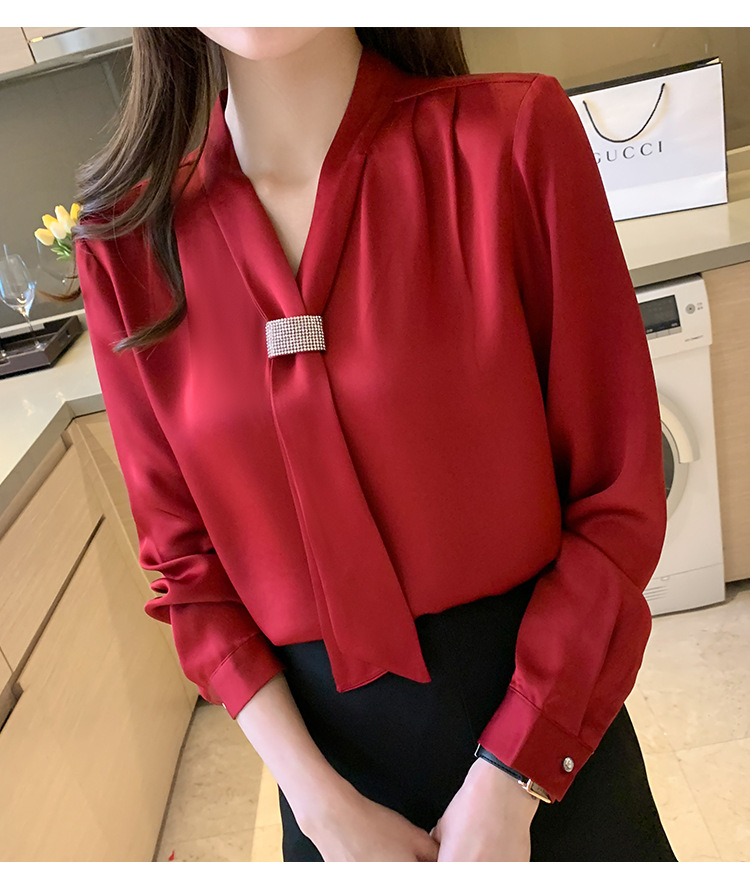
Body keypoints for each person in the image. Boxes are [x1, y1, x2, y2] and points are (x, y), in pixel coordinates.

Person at [70, 27, 677, 862]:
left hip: (551, 748)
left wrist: (514, 776)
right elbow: (186, 568)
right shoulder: (126, 242)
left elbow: (616, 500)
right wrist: (324, 813)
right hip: (330, 793)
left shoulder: (510, 140)